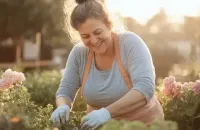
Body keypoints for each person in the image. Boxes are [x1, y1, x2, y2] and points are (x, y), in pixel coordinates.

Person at [50, 0, 164, 129]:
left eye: (97, 32)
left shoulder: (130, 43)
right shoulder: (79, 53)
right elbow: (65, 91)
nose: (93, 40)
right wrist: (63, 106)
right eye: (85, 36)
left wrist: (106, 112)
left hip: (144, 125)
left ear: (109, 25)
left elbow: (145, 88)